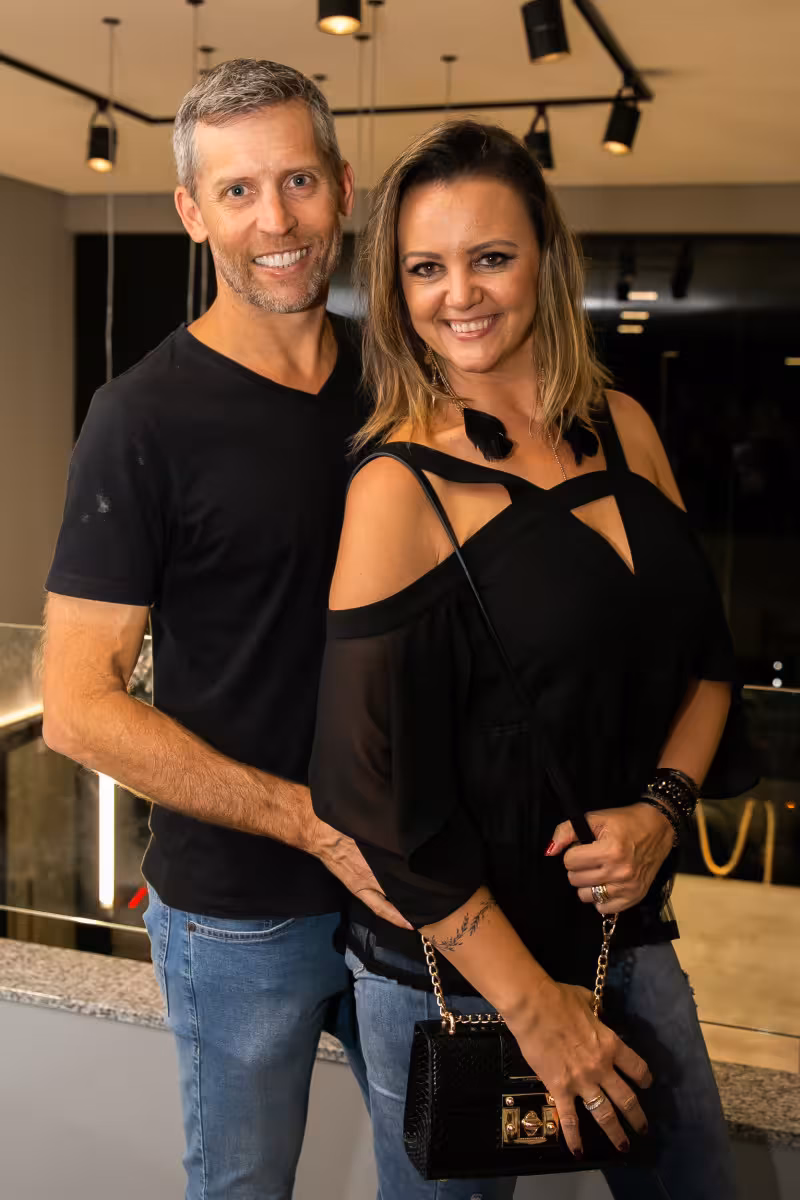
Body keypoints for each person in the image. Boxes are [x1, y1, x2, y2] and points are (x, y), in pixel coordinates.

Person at [310, 120, 755, 1200]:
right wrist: (532, 1007)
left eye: (490, 257)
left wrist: (659, 813)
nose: (457, 294)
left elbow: (706, 664)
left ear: (545, 260)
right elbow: (370, 795)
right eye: (424, 267)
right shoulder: (396, 486)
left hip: (624, 939)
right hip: (457, 975)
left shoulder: (627, 429)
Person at [41, 59, 407, 1200]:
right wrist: (311, 824)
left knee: (447, 1180)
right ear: (192, 213)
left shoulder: (404, 386)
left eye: (297, 181)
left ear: (342, 187)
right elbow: (76, 708)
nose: (276, 221)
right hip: (239, 916)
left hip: (416, 883)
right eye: (237, 191)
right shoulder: (138, 417)